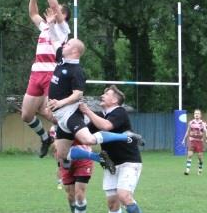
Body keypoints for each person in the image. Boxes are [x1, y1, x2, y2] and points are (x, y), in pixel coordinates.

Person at [48, 39, 144, 173]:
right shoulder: (61, 59)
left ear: (75, 51)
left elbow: (78, 94)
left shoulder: (77, 71)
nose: (65, 45)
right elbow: (54, 37)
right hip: (60, 116)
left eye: (68, 44)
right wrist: (52, 23)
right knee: (62, 154)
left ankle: (127, 136)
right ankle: (99, 158)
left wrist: (60, 103)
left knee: (88, 140)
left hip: (69, 113)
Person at [79, 85, 151, 213]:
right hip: (110, 163)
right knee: (112, 203)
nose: (102, 95)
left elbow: (106, 127)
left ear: (115, 100)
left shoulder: (119, 112)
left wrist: (87, 111)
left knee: (124, 195)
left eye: (107, 94)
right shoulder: (100, 117)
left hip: (128, 162)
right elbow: (84, 134)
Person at [22, 0, 71, 158]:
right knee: (26, 115)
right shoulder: (45, 27)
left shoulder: (62, 29)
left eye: (56, 10)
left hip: (52, 74)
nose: (51, 10)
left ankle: (74, 140)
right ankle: (45, 138)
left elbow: (55, 6)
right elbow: (33, 13)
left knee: (57, 116)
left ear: (62, 15)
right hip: (36, 73)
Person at [49, 126, 94, 213]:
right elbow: (55, 148)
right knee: (70, 196)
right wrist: (59, 164)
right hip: (66, 162)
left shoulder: (79, 123)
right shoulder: (54, 128)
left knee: (79, 195)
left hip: (83, 159)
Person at [182, 109, 207, 175]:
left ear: (200, 115)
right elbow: (187, 131)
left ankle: (200, 169)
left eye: (198, 113)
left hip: (199, 142)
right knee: (189, 155)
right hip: (192, 141)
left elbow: (206, 131)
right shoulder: (191, 122)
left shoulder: (203, 123)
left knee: (200, 157)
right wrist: (184, 139)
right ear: (194, 115)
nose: (196, 115)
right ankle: (187, 171)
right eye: (195, 113)